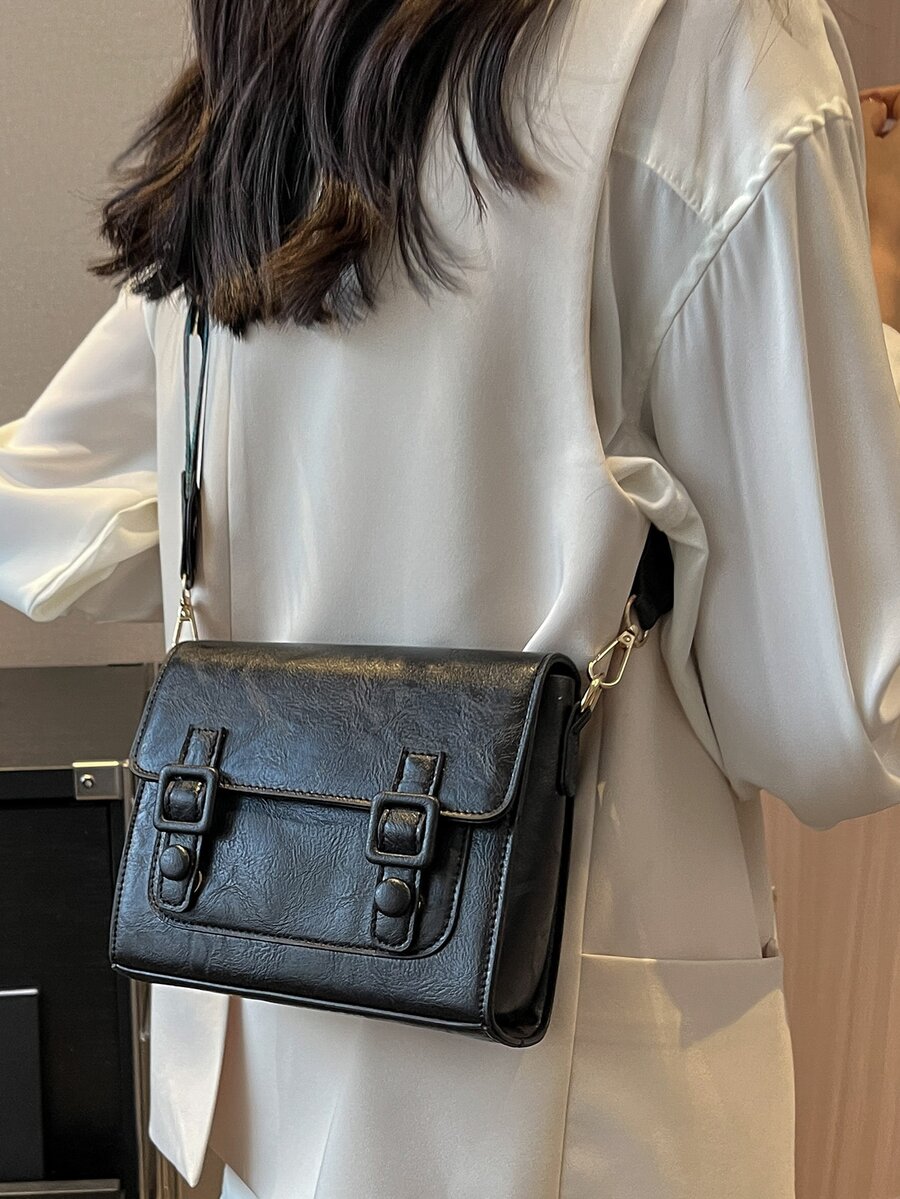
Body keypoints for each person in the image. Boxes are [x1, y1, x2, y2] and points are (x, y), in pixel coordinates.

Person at [1, 0, 899, 1195]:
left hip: (264, 1077)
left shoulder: (272, 68)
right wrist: (865, 315)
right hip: (558, 1122)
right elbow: (837, 716)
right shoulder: (712, 43)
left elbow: (42, 507)